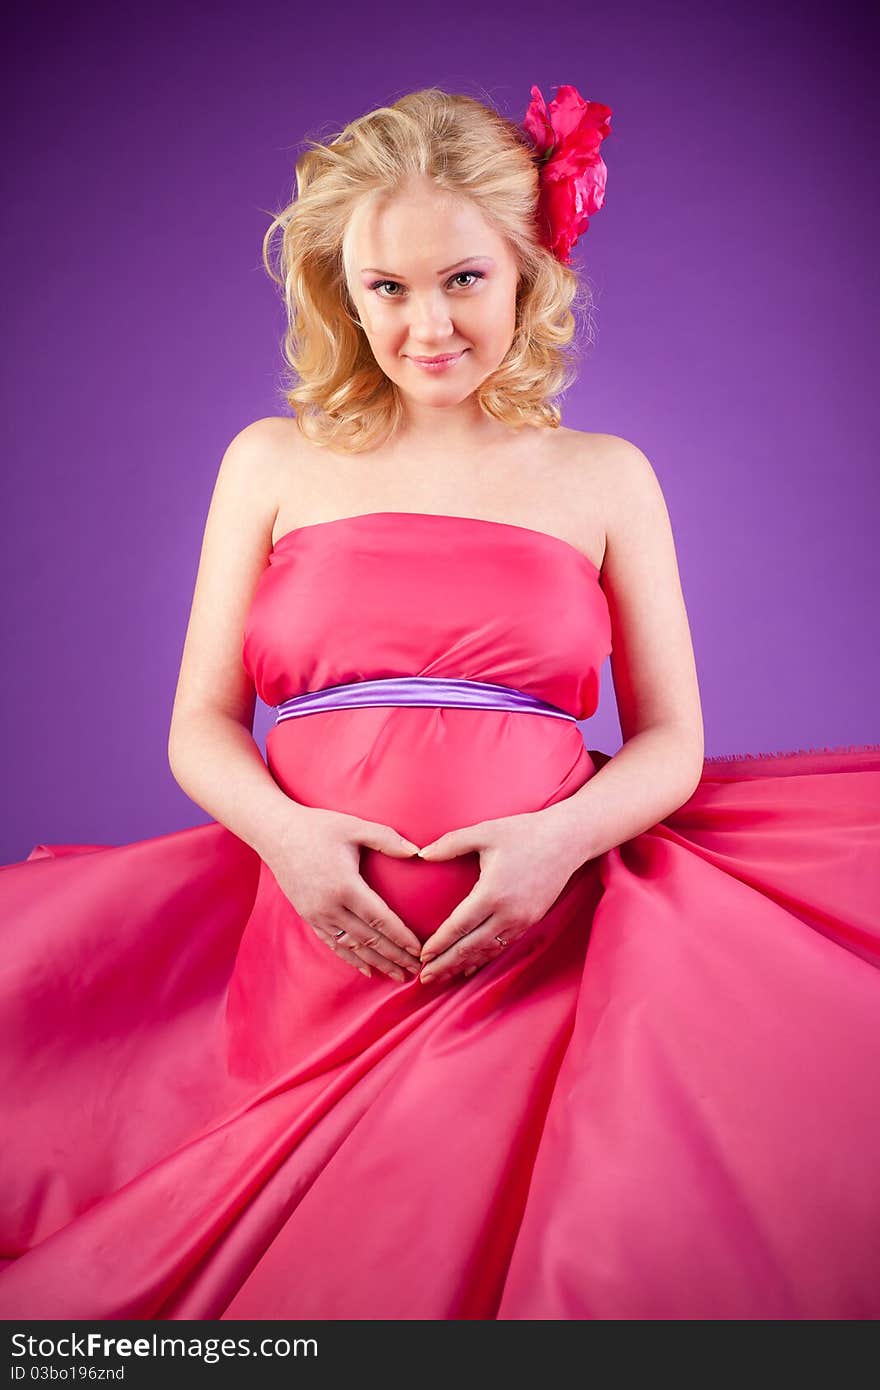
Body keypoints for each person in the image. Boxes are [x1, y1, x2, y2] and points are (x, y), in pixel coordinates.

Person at [1, 83, 879, 1322]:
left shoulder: (603, 479)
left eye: (463, 278)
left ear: (530, 270)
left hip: (545, 942)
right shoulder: (271, 463)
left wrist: (559, 840)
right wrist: (294, 840)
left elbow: (671, 739)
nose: (426, 325)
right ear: (340, 292)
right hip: (306, 959)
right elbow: (199, 723)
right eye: (387, 288)